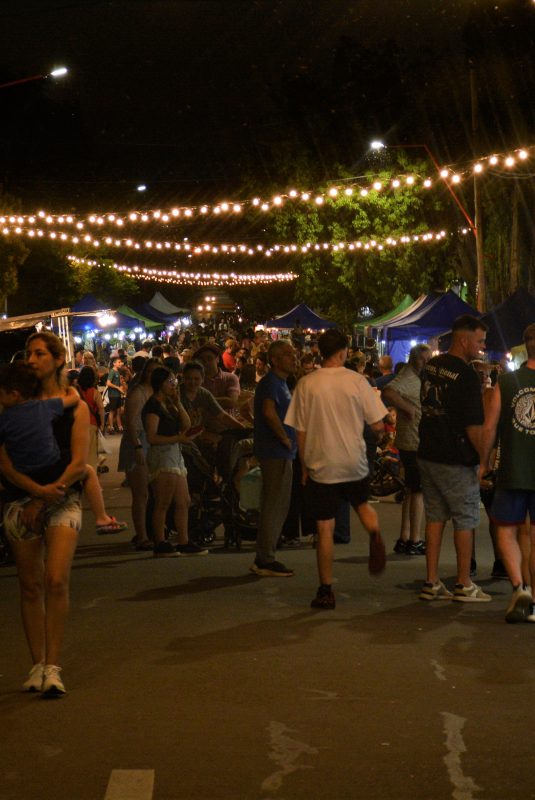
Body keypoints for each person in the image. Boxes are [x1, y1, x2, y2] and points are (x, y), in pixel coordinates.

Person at [0, 333, 91, 696]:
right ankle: (36, 663)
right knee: (29, 583)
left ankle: (53, 665)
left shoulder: (74, 405)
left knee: (55, 578)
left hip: (62, 498)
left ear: (57, 359)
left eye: (40, 353)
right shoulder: (14, 403)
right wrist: (34, 493)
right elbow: (3, 462)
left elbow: (79, 463)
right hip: (21, 499)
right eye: (29, 354)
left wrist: (44, 498)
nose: (33, 359)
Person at [285, 329, 387, 610]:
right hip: (353, 460)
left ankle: (326, 589)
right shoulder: (357, 381)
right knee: (362, 504)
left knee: (325, 527)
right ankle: (374, 531)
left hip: (321, 463)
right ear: (342, 352)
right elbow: (378, 423)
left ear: (320, 351)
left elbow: (300, 430)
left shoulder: (307, 384)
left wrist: (304, 465)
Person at [417, 315, 490, 602]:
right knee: (465, 518)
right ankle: (464, 583)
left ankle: (432, 581)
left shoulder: (432, 365)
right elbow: (473, 426)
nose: (482, 347)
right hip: (455, 457)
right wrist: (484, 460)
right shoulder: (466, 376)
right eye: (480, 340)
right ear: (464, 339)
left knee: (435, 517)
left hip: (428, 451)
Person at [480, 323, 535, 622]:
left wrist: (483, 461)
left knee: (505, 529)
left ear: (525, 346)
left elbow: (490, 427)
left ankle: (519, 585)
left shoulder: (507, 382)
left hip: (512, 469)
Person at [142, 366, 207, 557]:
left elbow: (187, 425)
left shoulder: (169, 404)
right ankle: (160, 542)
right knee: (163, 502)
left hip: (175, 453)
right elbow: (152, 437)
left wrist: (178, 404)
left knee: (183, 500)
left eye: (174, 382)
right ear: (160, 384)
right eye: (170, 382)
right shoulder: (152, 406)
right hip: (162, 454)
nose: (173, 385)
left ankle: (184, 541)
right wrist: (178, 439)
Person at [250, 340, 297, 577]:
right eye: (288, 354)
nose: (294, 357)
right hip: (275, 452)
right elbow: (268, 412)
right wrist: (284, 438)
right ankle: (265, 558)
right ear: (275, 360)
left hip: (281, 451)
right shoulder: (271, 383)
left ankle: (267, 554)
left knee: (278, 504)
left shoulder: (281, 383)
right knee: (274, 505)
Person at [382, 344, 432, 555]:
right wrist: (407, 408)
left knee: (411, 490)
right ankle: (415, 539)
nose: (426, 364)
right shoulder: (409, 377)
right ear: (414, 359)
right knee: (418, 490)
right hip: (413, 441)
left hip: (409, 440)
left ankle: (405, 536)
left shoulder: (414, 376)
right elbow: (388, 392)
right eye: (423, 359)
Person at [118, 357, 160, 550]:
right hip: (138, 441)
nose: (153, 376)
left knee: (154, 492)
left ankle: (152, 532)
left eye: (157, 372)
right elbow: (129, 422)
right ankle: (142, 536)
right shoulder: (139, 392)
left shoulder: (158, 392)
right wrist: (136, 447)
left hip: (153, 442)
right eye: (150, 372)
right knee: (141, 493)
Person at [77, 365, 106, 470]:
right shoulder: (95, 392)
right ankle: (91, 473)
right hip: (91, 424)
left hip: (77, 424)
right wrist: (102, 424)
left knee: (79, 451)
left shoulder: (75, 391)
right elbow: (101, 409)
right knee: (91, 452)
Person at [106, 356, 126, 433]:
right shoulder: (112, 371)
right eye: (119, 362)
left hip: (117, 395)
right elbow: (108, 383)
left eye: (121, 362)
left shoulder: (117, 371)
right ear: (114, 363)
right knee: (112, 411)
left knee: (118, 411)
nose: (121, 363)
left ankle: (120, 427)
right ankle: (111, 427)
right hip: (113, 395)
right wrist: (118, 388)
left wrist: (121, 385)